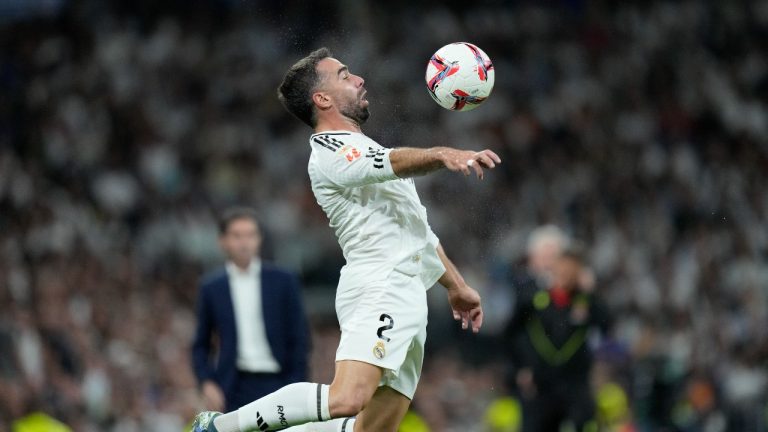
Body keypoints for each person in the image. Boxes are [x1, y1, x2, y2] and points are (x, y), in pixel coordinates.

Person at [191, 47, 501, 432]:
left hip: (407, 294)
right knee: (347, 398)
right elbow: (391, 161)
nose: (359, 80)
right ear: (322, 99)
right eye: (344, 75)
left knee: (370, 429)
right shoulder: (328, 151)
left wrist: (456, 286)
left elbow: (417, 232)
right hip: (379, 285)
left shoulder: (365, 147)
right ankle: (221, 427)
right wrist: (442, 154)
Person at [192, 207, 310, 413]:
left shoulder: (284, 281)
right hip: (233, 386)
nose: (244, 242)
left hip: (279, 381)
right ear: (223, 241)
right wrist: (207, 382)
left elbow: (300, 336)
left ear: (259, 239)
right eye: (236, 236)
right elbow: (201, 344)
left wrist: (295, 383)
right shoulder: (212, 287)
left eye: (250, 235)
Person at [504, 237, 612, 432]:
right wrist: (520, 368)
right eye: (563, 266)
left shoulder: (584, 300)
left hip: (575, 383)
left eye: (572, 268)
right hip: (541, 382)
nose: (566, 273)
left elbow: (606, 325)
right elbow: (511, 333)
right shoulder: (535, 296)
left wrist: (590, 293)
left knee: (584, 422)